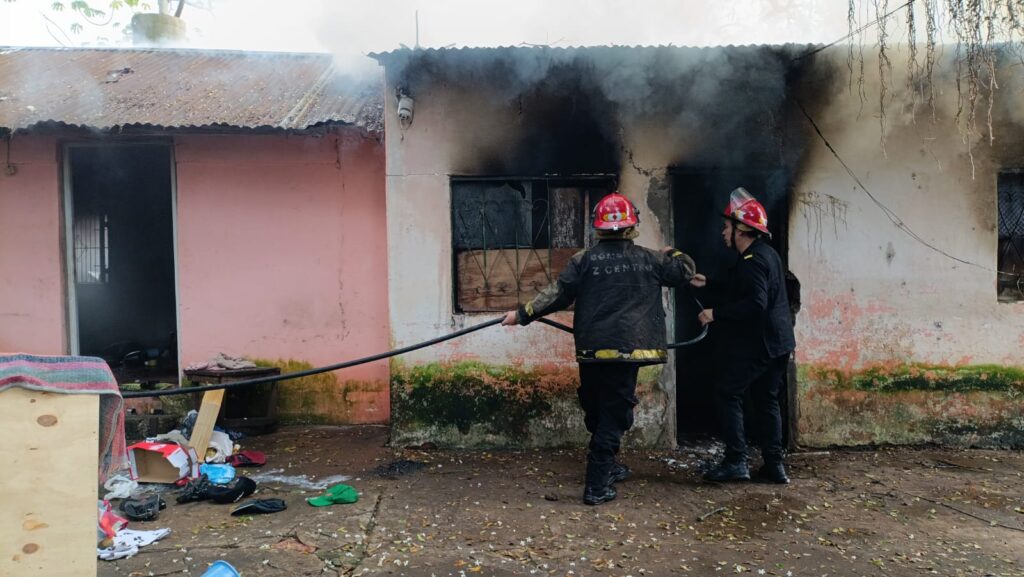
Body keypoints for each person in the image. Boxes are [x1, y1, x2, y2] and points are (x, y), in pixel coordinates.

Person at [502, 191, 697, 505]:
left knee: (598, 410)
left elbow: (557, 294)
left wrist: (521, 315)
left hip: (592, 351)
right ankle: (597, 485)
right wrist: (672, 251)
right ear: (632, 226)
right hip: (627, 351)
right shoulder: (650, 259)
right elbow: (685, 270)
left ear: (599, 227)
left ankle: (605, 471)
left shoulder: (584, 260)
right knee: (612, 416)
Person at [690, 187, 796, 484]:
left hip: (761, 344)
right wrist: (709, 282)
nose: (723, 232)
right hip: (779, 343)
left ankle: (736, 460)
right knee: (766, 399)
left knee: (727, 392)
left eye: (727, 227)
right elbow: (744, 287)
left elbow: (756, 303)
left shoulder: (751, 261)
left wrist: (716, 313)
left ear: (742, 230)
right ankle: (775, 467)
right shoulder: (764, 254)